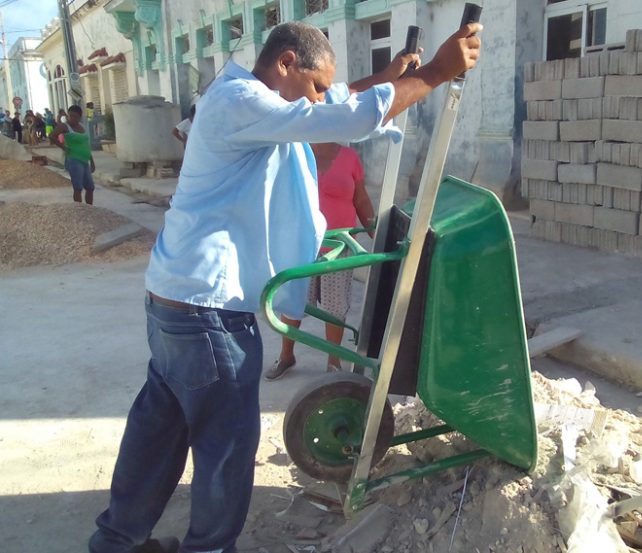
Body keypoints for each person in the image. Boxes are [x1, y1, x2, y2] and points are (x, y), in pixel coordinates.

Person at [87, 19, 480, 553]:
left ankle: (117, 540)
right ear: (285, 64)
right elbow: (335, 114)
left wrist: (385, 77)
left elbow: (329, 103)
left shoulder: (242, 98)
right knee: (226, 445)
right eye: (315, 84)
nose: (319, 98)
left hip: (174, 299)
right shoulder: (242, 104)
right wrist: (437, 72)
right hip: (209, 311)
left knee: (158, 430)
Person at [265, 142, 374, 379]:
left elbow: (361, 199)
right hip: (301, 245)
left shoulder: (349, 157)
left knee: (335, 307)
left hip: (339, 248)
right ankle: (286, 355)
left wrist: (376, 230)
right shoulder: (293, 154)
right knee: (294, 302)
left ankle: (333, 362)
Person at [49, 105, 96, 205]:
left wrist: (92, 161)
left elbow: (86, 145)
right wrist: (63, 147)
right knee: (78, 187)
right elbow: (52, 136)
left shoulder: (82, 126)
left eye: (75, 116)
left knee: (90, 187)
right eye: (70, 116)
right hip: (74, 160)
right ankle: (79, 210)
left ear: (80, 117)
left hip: (85, 160)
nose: (72, 119)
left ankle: (90, 210)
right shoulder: (65, 126)